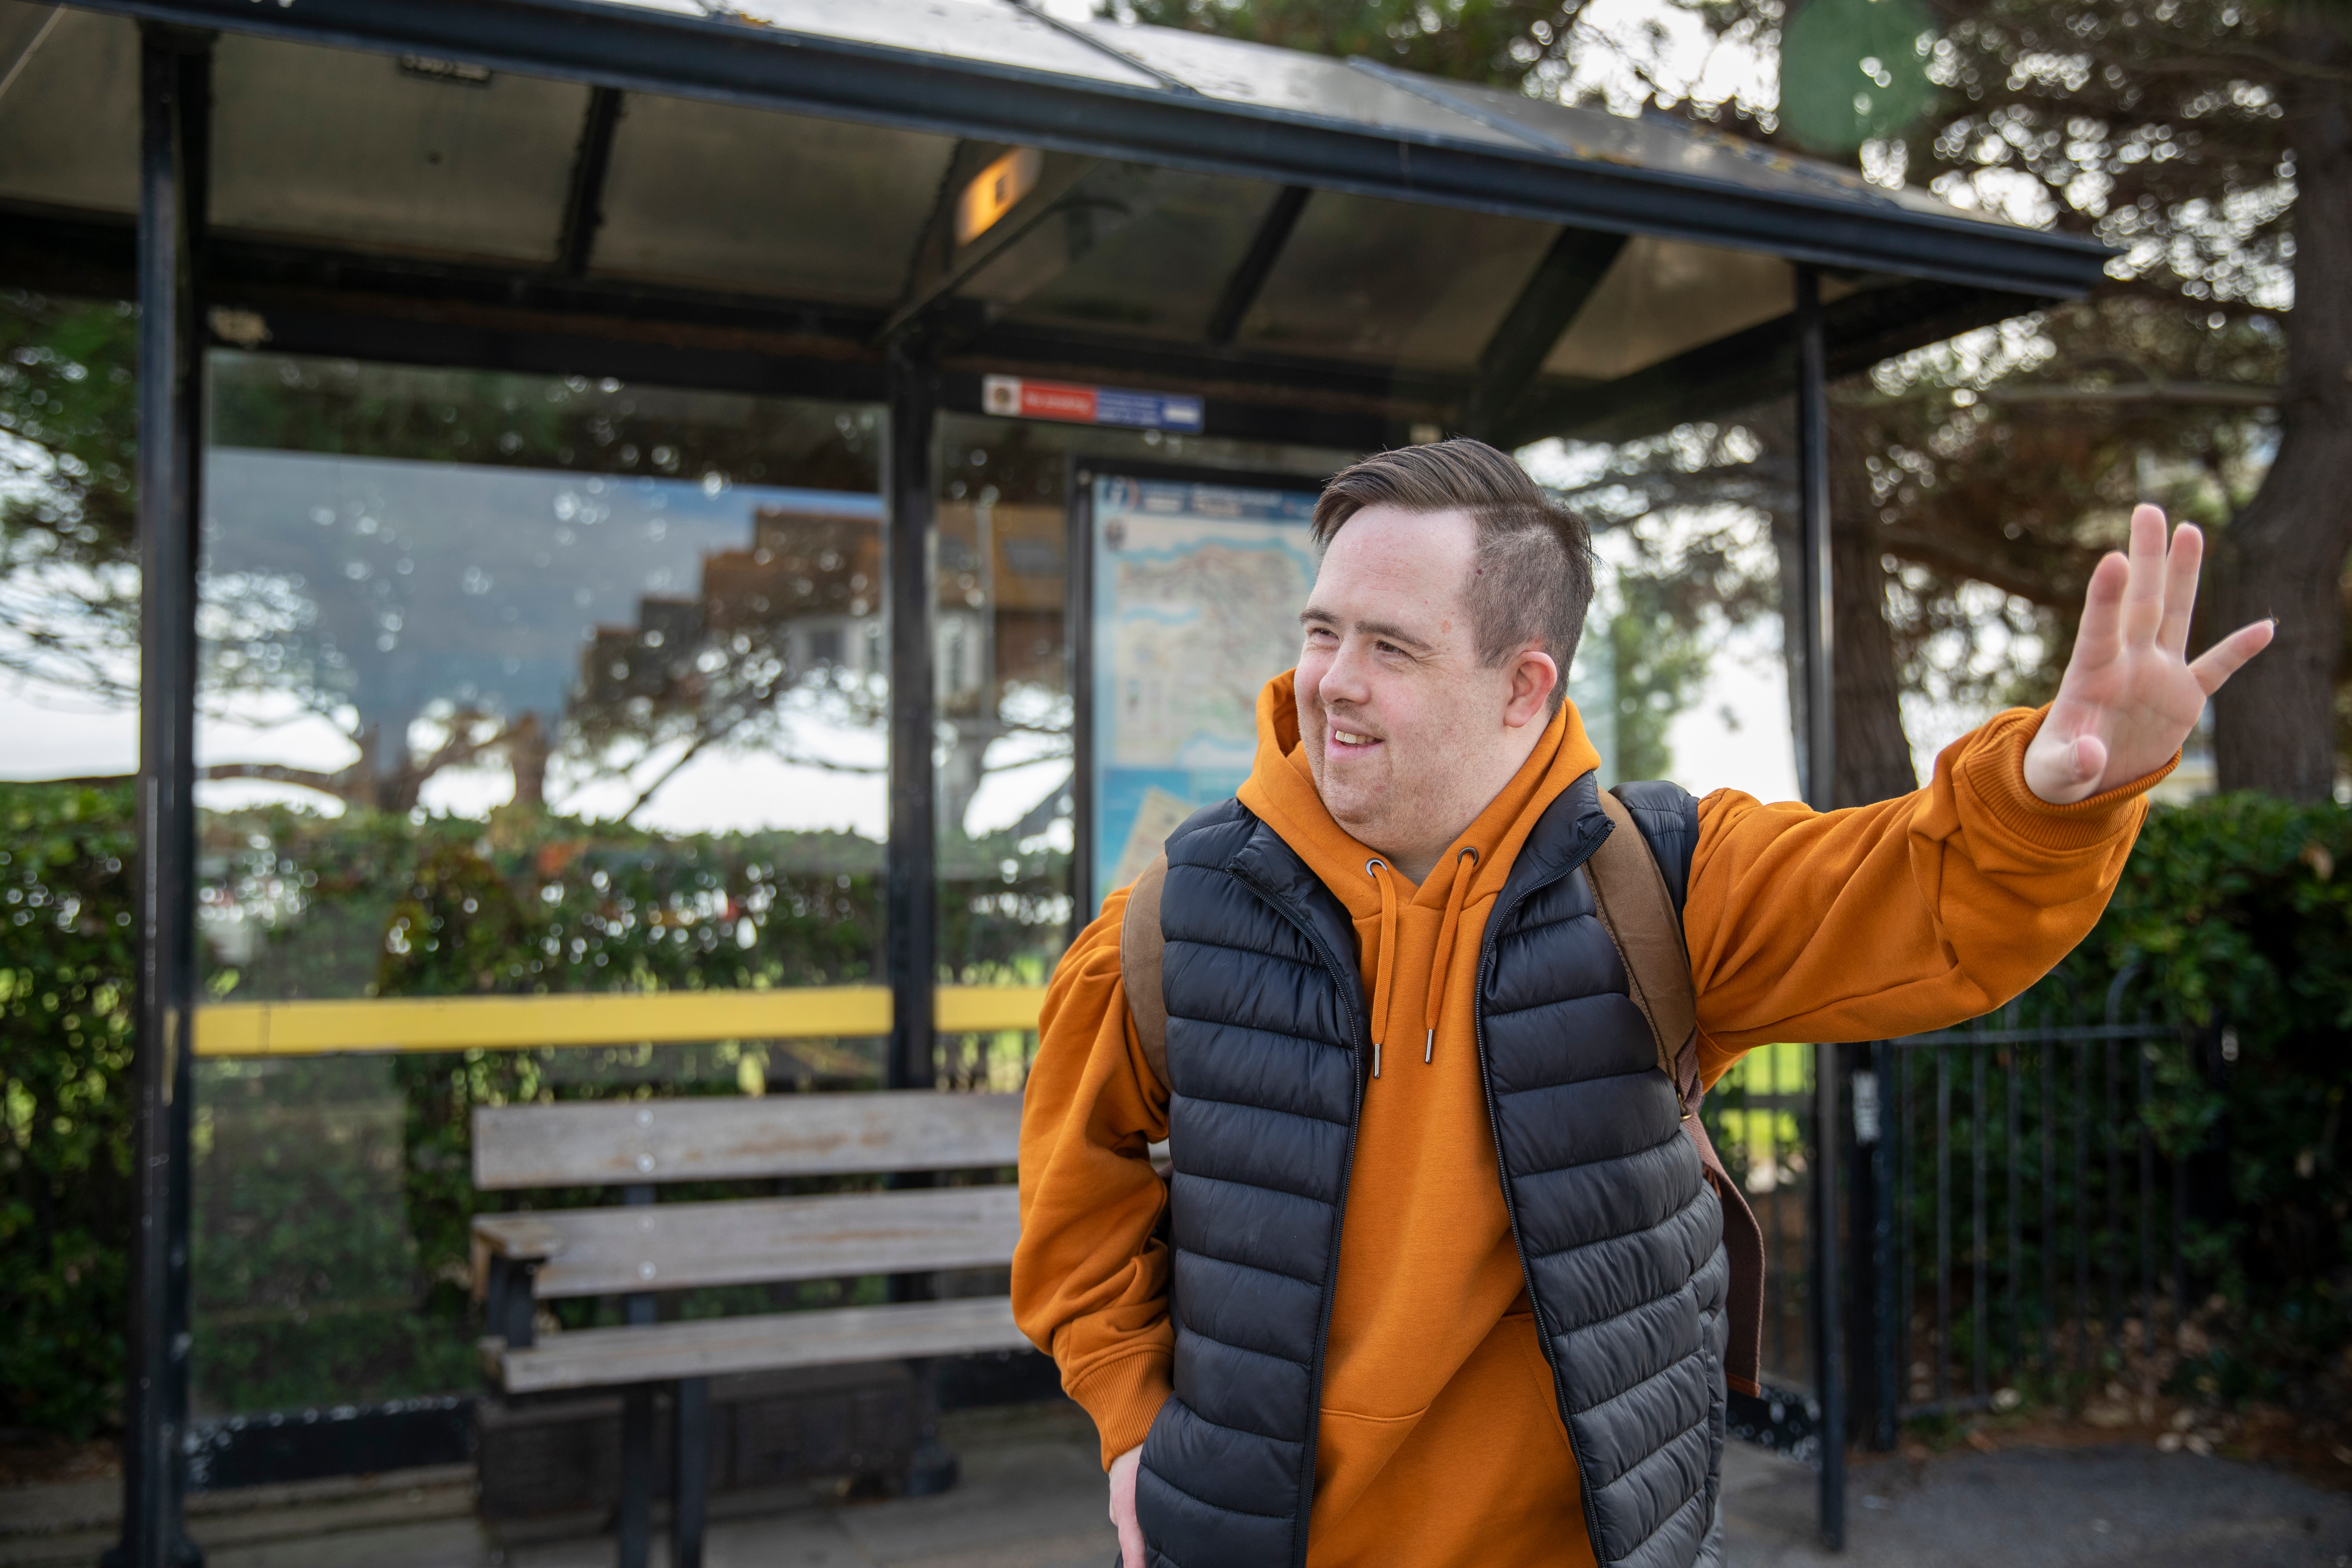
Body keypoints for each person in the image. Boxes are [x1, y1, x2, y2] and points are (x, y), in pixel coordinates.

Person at [1011, 439, 2272, 1568]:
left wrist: (2055, 800)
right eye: (1323, 630)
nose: (1331, 681)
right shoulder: (1175, 919)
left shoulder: (1663, 882)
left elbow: (1925, 895)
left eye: (1390, 647)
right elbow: (1076, 1203)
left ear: (1525, 687)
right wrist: (1132, 1420)